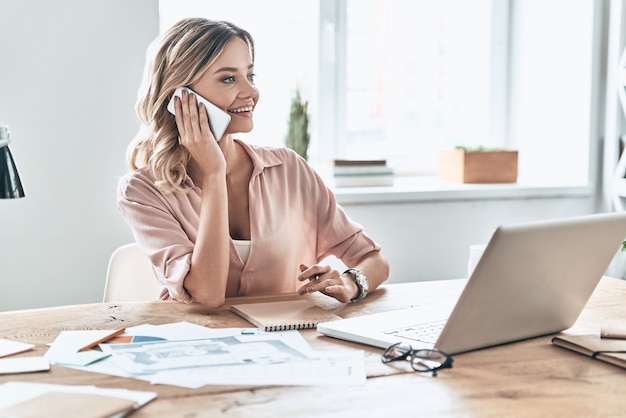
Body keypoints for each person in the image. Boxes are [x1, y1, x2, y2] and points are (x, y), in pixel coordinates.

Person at [117, 17, 389, 308]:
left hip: (295, 343)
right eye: (229, 78)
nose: (251, 92)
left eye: (251, 75)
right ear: (179, 97)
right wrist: (213, 173)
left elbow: (373, 260)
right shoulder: (142, 191)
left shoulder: (289, 169)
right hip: (198, 345)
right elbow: (206, 295)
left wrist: (351, 281)